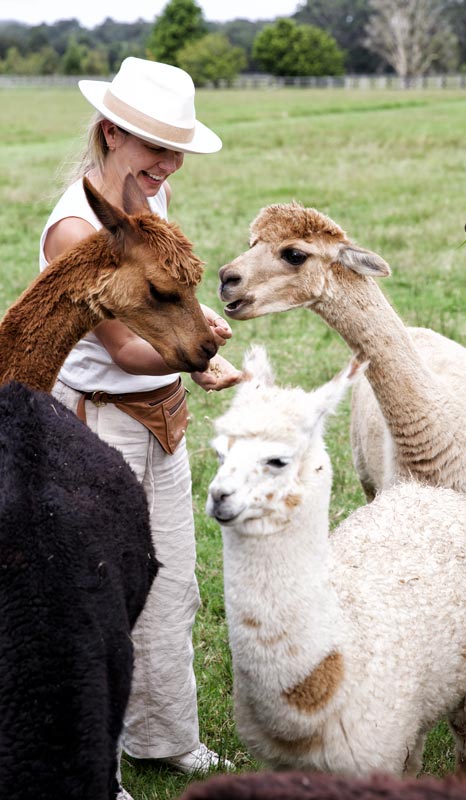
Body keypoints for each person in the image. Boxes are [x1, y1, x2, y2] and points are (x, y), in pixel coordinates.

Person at [39, 57, 242, 799]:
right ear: (110, 132)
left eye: (176, 146)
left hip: (160, 418)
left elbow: (168, 311)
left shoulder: (149, 201)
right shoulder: (74, 229)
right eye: (154, 145)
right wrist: (200, 353)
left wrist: (201, 334)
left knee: (172, 585)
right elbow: (125, 347)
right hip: (99, 428)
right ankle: (97, 765)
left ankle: (165, 737)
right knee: (99, 596)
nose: (168, 162)